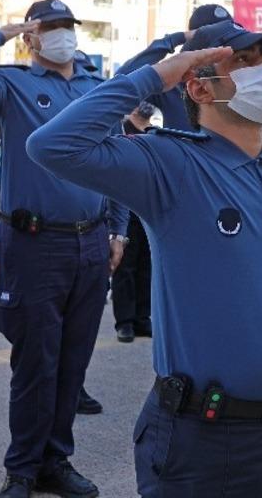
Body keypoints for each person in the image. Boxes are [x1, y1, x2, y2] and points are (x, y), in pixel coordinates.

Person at [27, 20, 262, 496]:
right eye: (242, 61)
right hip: (199, 436)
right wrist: (157, 75)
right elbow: (52, 145)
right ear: (199, 85)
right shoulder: (168, 163)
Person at [0, 0, 128, 498]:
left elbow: (117, 162)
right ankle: (22, 468)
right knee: (35, 362)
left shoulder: (95, 88)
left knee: (73, 361)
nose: (63, 35)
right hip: (34, 243)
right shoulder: (12, 83)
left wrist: (119, 229)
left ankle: (55, 461)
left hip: (89, 241)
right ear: (33, 36)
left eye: (68, 26)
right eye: (51, 27)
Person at [115, 3, 232, 128]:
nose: (222, 49)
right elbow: (124, 77)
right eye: (215, 40)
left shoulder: (239, 83)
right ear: (195, 41)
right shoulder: (173, 82)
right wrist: (177, 38)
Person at [111, 102, 157, 344]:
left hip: (148, 208)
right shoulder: (120, 128)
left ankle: (142, 317)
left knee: (146, 265)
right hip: (125, 206)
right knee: (125, 265)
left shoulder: (156, 133)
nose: (146, 104)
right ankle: (125, 322)